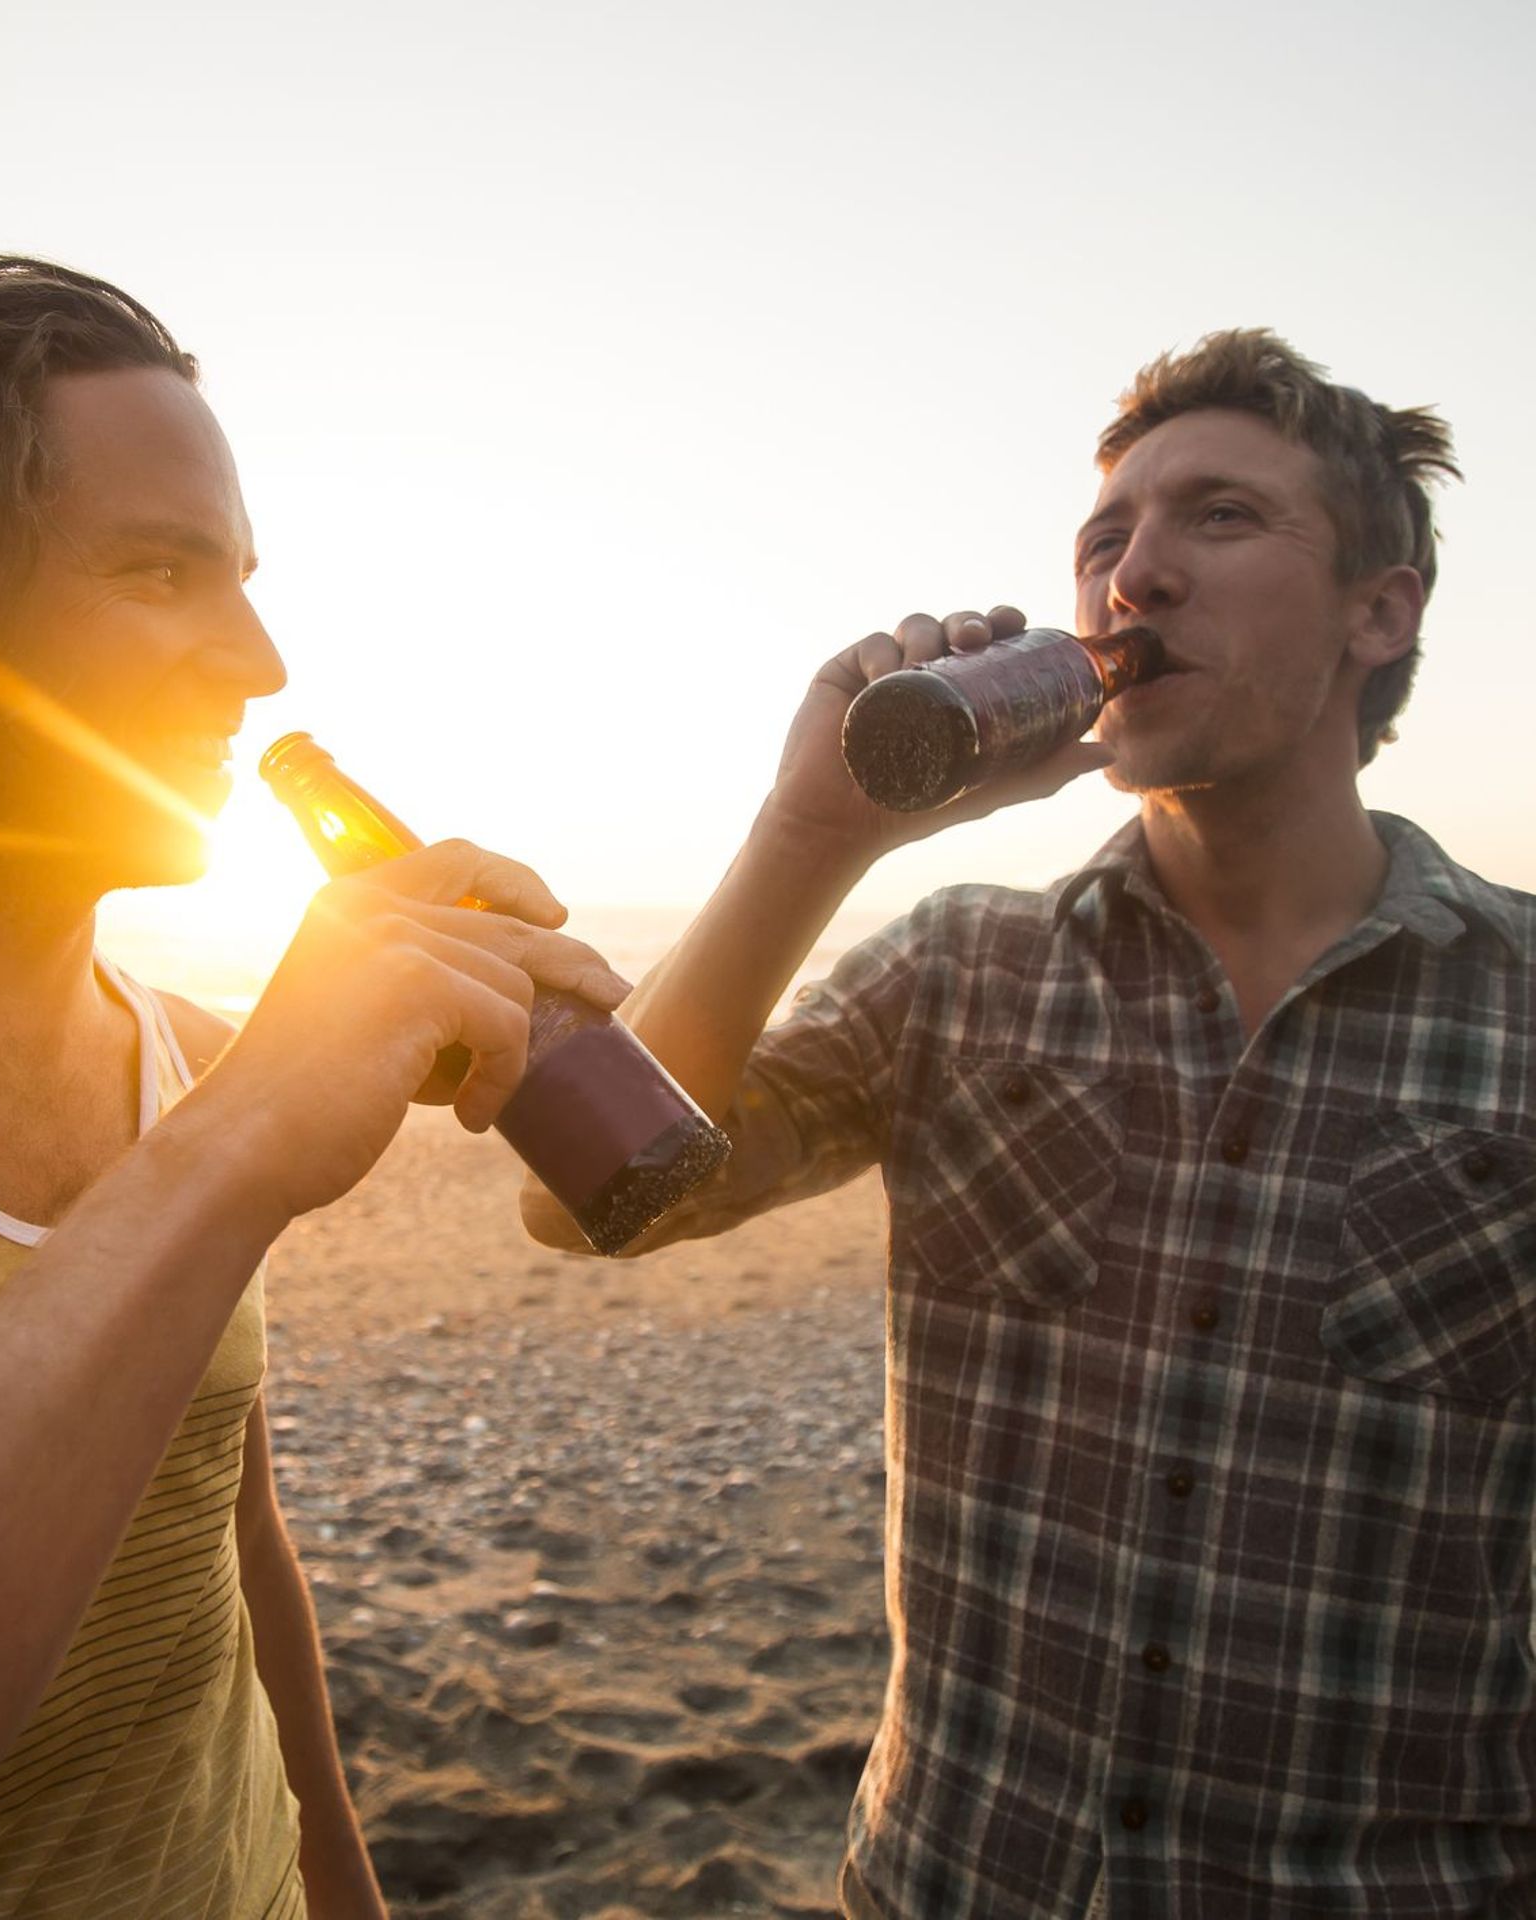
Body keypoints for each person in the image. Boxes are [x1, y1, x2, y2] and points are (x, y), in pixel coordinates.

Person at [0, 252, 627, 1919]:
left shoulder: (188, 1052)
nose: (261, 661)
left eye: (242, 578)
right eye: (161, 573)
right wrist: (229, 1152)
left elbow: (221, 1548)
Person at [526, 331, 1536, 1916]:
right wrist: (815, 833)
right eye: (1104, 540)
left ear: (1381, 607)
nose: (1134, 577)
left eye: (1219, 518)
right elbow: (595, 1193)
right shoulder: (959, 969)